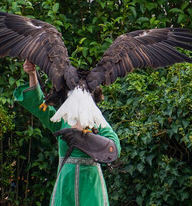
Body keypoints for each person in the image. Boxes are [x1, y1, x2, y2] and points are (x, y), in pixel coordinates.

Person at [13, 60, 121, 206]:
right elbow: (39, 105)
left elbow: (114, 149)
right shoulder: (62, 120)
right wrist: (32, 74)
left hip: (91, 188)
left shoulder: (96, 121)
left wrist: (85, 138)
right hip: (65, 187)